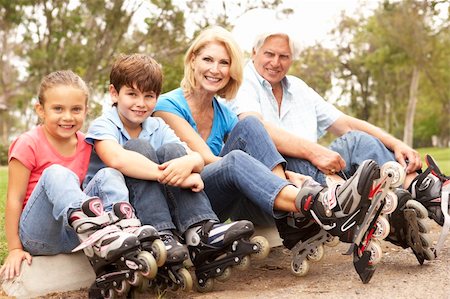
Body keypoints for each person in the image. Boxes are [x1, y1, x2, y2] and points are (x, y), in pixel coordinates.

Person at [153, 26, 387, 283]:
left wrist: (287, 174)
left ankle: (300, 212)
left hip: (215, 200)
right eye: (208, 59)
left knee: (251, 126)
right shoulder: (167, 105)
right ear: (192, 60)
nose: (215, 69)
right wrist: (260, 171)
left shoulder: (224, 112)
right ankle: (314, 205)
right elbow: (206, 159)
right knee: (234, 161)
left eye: (224, 63)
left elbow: (258, 148)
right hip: (187, 204)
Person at [229, 29, 444, 261]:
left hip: (315, 174)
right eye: (269, 54)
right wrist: (315, 152)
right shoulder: (243, 82)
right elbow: (256, 128)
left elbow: (346, 123)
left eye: (284, 56)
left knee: (356, 140)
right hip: (271, 186)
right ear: (254, 52)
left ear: (292, 58)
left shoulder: (298, 88)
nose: (275, 62)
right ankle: (386, 216)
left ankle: (429, 195)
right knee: (292, 156)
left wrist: (396, 143)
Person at [83, 53, 270, 292]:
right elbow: (117, 159)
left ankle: (200, 231)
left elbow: (192, 156)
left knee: (172, 149)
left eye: (149, 96)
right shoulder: (104, 124)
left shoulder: (156, 125)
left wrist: (189, 163)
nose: (141, 103)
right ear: (114, 93)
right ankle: (160, 236)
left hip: (157, 204)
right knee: (138, 148)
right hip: (119, 214)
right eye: (132, 94)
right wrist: (168, 174)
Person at [0, 71, 158, 296]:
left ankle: (121, 233)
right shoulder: (28, 143)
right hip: (40, 234)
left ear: (85, 110)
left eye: (76, 109)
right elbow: (14, 199)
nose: (68, 117)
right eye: (58, 109)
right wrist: (15, 248)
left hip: (77, 233)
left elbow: (100, 182)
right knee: (56, 173)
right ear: (40, 110)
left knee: (109, 173)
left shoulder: (87, 143)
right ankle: (97, 229)